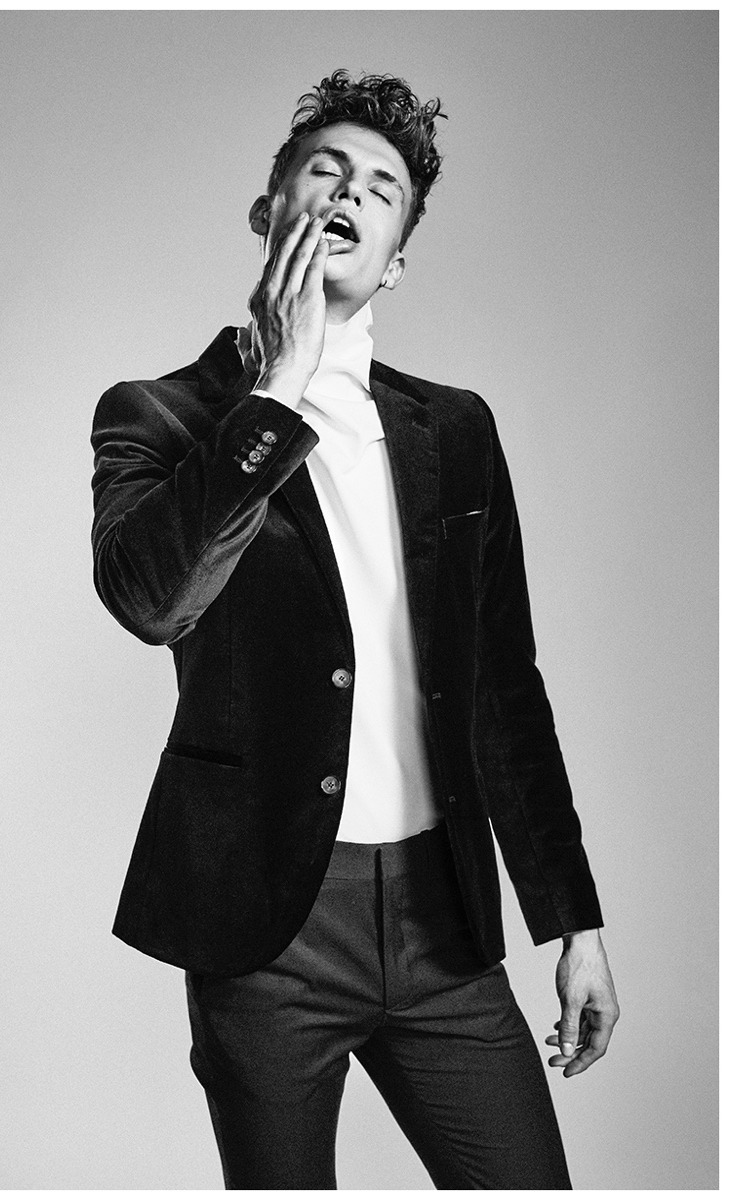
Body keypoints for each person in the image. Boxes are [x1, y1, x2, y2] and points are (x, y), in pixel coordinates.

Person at [90, 69, 619, 1190]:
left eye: (380, 189)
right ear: (266, 210)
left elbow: (503, 688)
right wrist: (275, 393)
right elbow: (152, 601)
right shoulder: (159, 414)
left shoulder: (454, 431)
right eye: (322, 172)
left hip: (442, 921)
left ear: (395, 262)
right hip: (267, 930)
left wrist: (573, 921)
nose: (348, 193)